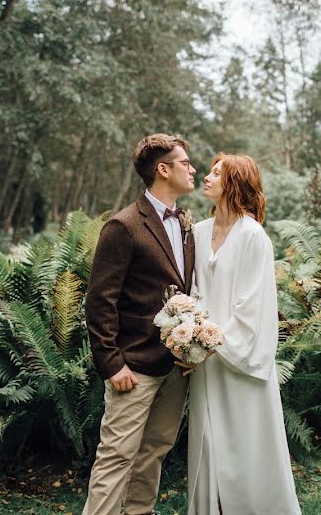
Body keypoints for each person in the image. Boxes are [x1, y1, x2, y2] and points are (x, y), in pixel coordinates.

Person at [83, 133, 197, 515]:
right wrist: (111, 362)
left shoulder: (184, 223)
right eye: (185, 162)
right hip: (133, 367)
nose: (192, 168)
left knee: (154, 453)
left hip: (175, 366)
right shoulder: (124, 225)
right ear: (163, 170)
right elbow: (101, 299)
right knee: (116, 457)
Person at [186, 154, 301, 515]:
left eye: (217, 173)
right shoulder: (198, 232)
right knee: (208, 443)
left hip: (240, 364)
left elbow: (252, 308)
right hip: (203, 364)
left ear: (235, 182)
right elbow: (190, 294)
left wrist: (210, 344)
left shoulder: (254, 237)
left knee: (246, 449)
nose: (206, 177)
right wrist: (186, 340)